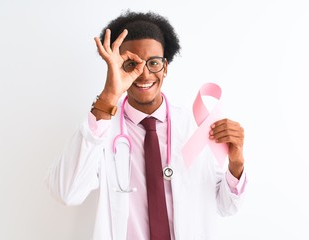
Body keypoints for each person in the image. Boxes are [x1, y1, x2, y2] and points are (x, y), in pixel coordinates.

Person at [46, 10, 247, 240]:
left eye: (153, 63)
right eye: (131, 64)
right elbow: (67, 192)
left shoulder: (196, 127)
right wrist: (108, 96)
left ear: (165, 67)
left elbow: (226, 206)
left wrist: (237, 164)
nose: (143, 74)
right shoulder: (100, 129)